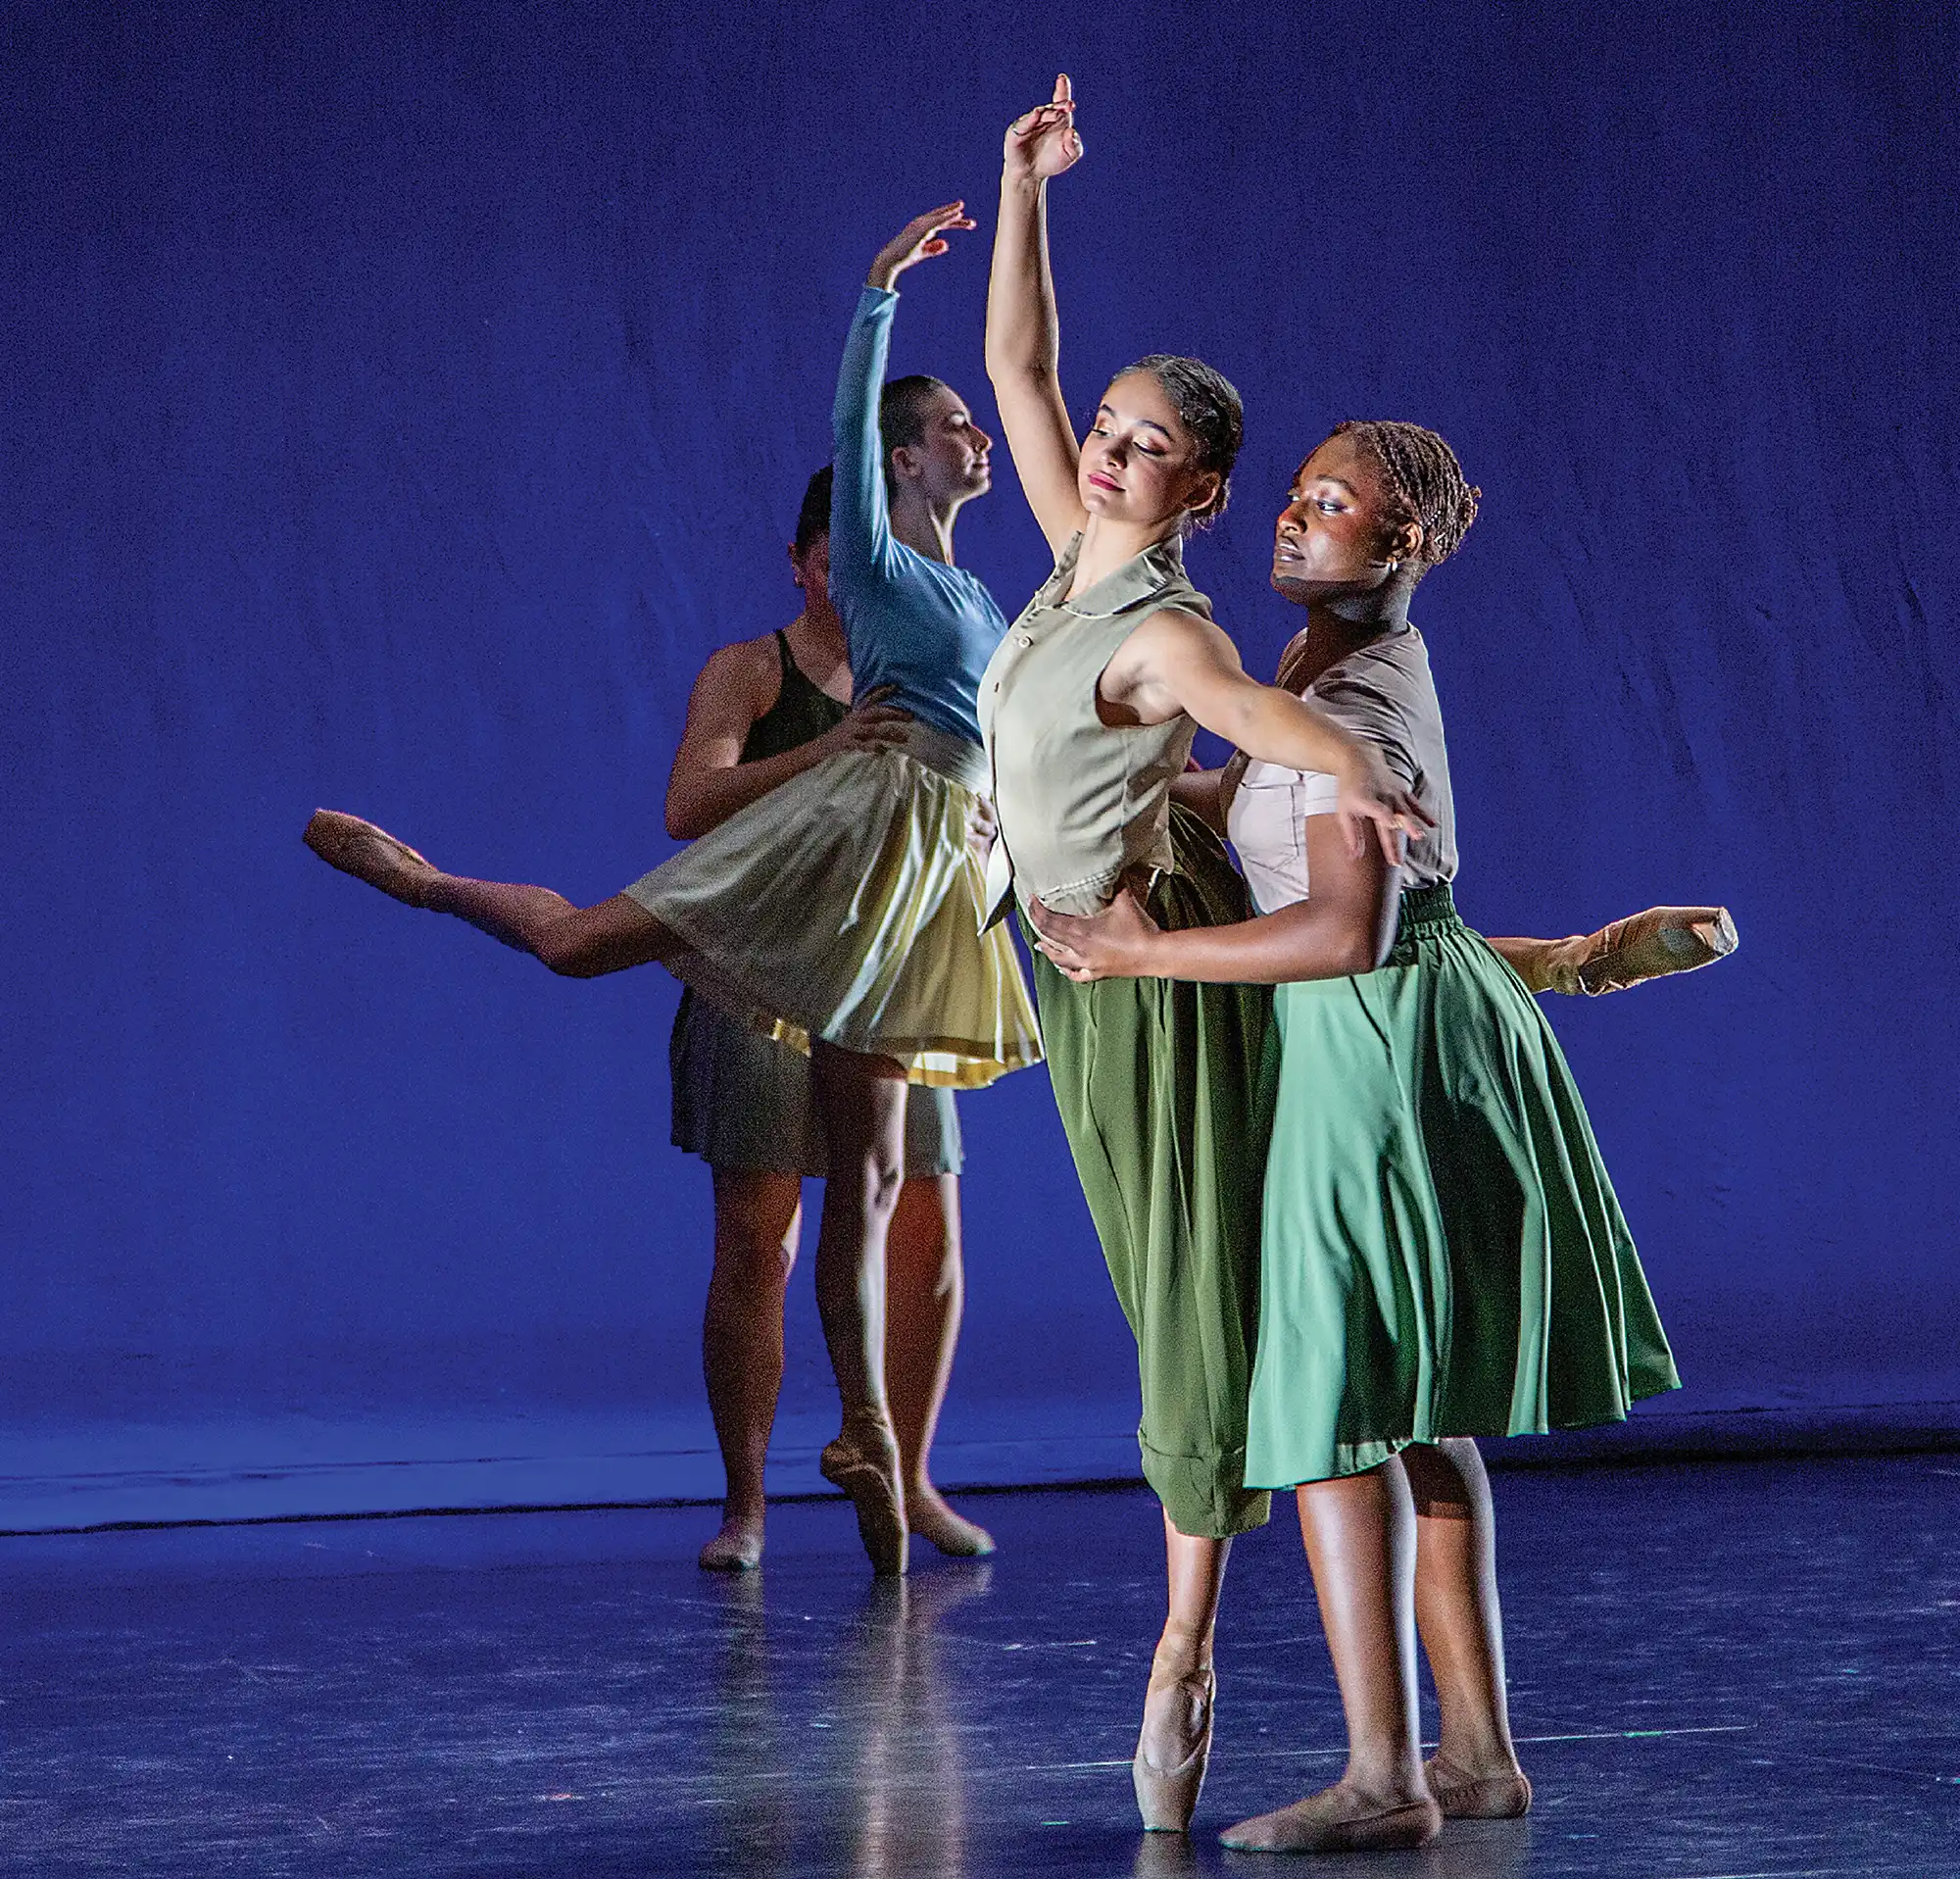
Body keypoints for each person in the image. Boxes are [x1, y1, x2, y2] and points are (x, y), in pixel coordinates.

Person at [303, 210, 1052, 1576]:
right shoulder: (875, 569)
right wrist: (877, 291)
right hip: (842, 849)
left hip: (930, 877)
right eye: (955, 424)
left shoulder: (984, 597)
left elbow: (1014, 738)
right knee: (581, 950)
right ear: (898, 462)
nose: (977, 437)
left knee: (878, 1177)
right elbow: (849, 429)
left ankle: (871, 1435)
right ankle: (429, 883)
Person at [1029, 418, 1685, 1854]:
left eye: (1331, 505)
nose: (1292, 516)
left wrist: (1136, 954)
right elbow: (1266, 800)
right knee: (1411, 1406)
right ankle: (1479, 1758)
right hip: (1408, 1029)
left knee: (1334, 1409)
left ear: (1403, 544)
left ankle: (1386, 1775)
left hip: (1373, 1044)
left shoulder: (1362, 708)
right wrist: (1098, 784)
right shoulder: (1323, 668)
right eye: (1295, 493)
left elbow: (1343, 928)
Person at [980, 74, 1441, 1837]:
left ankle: (1183, 1654)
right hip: (1075, 967)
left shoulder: (1163, 628)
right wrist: (1026, 186)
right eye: (1109, 428)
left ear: (1205, 488)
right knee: (1166, 1283)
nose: (1106, 450)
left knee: (1186, 1295)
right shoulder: (1070, 561)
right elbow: (1018, 365)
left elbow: (1259, 716)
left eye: (1146, 444)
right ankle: (1236, 1648)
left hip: (1140, 961)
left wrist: (1363, 775)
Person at [665, 467, 994, 1570]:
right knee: (759, 1241)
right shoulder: (751, 669)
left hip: (897, 976)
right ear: (806, 564)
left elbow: (987, 794)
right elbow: (686, 805)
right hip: (767, 975)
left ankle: (908, 1473)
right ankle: (746, 1504)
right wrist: (824, 747)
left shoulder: (935, 660)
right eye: (833, 564)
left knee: (927, 1231)